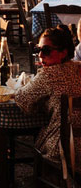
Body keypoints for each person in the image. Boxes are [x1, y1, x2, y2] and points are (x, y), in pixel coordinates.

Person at [15, 25, 81, 161]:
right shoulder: (78, 67)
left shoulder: (49, 74)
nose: (40, 55)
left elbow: (22, 99)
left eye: (46, 50)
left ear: (63, 52)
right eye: (38, 50)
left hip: (64, 148)